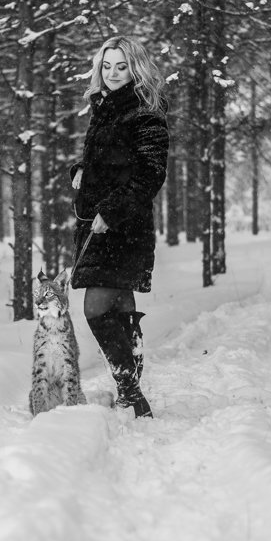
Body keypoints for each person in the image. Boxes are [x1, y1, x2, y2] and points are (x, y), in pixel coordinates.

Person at [70, 35, 169, 418]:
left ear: (136, 68)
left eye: (121, 66)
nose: (112, 73)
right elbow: (108, 159)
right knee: (119, 303)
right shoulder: (104, 107)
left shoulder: (145, 112)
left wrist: (111, 211)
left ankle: (130, 390)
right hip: (98, 221)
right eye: (106, 66)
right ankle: (132, 389)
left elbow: (149, 173)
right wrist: (81, 171)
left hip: (123, 224)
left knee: (96, 306)